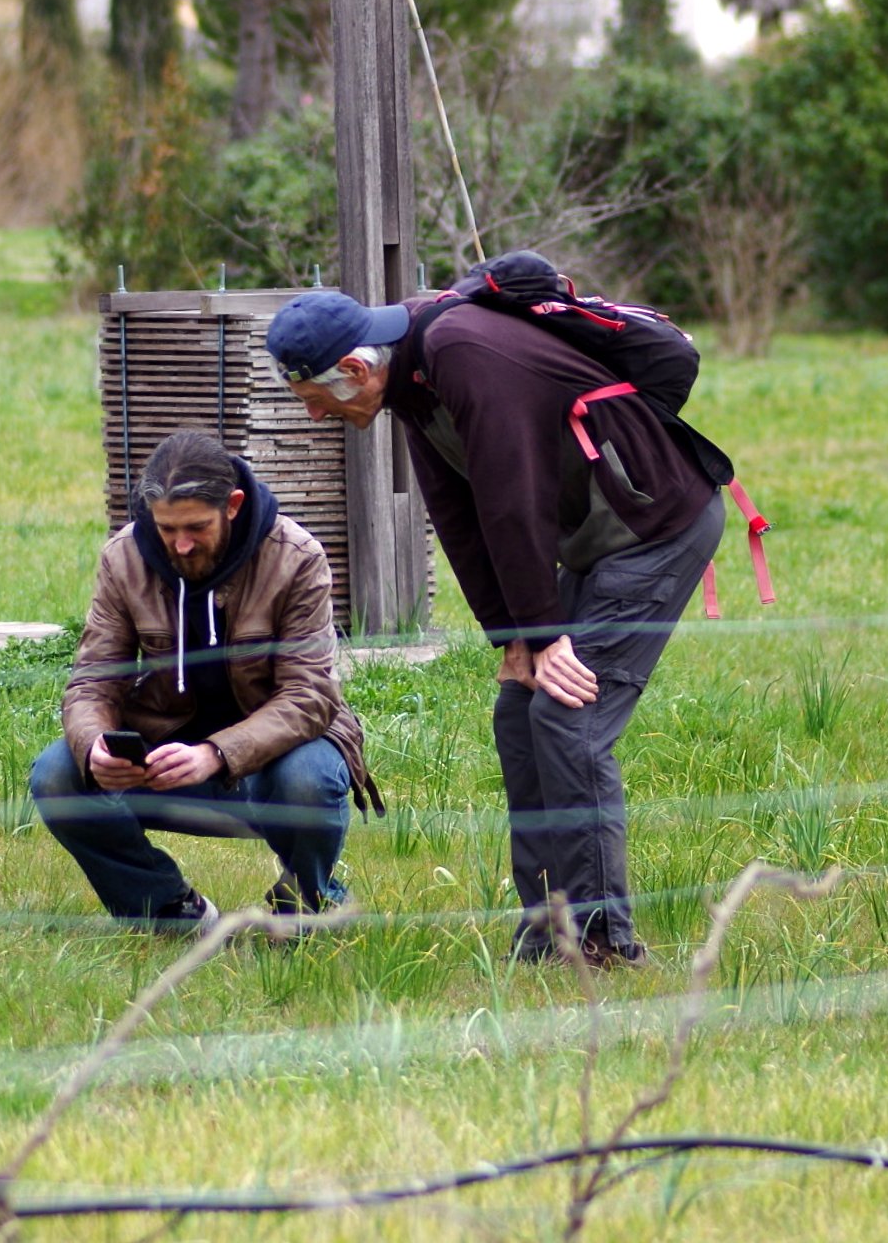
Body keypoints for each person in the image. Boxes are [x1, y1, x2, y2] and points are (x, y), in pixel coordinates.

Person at [263, 258, 724, 967]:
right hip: (597, 539)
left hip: (656, 525)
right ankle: (546, 931)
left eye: (314, 396)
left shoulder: (460, 352)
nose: (314, 413)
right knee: (519, 712)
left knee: (568, 717)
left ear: (355, 368)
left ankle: (602, 939)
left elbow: (514, 499)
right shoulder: (411, 374)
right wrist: (511, 638)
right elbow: (458, 511)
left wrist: (543, 635)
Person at [30, 429, 375, 933]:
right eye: (167, 528)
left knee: (309, 778)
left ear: (232, 506)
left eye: (195, 526)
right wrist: (94, 747)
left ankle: (306, 902)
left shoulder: (297, 556)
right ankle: (168, 908)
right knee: (57, 773)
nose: (181, 543)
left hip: (275, 760)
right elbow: (92, 683)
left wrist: (215, 753)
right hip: (165, 754)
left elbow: (309, 697)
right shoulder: (123, 559)